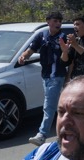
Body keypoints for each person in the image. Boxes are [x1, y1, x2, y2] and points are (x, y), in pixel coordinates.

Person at [19, 11, 66, 146]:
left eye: (60, 21)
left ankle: (42, 135)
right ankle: (64, 132)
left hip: (57, 75)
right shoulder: (42, 35)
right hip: (45, 75)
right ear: (48, 21)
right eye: (55, 21)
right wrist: (23, 57)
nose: (58, 23)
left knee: (48, 106)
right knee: (57, 107)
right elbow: (31, 49)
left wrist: (65, 49)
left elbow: (68, 57)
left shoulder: (63, 37)